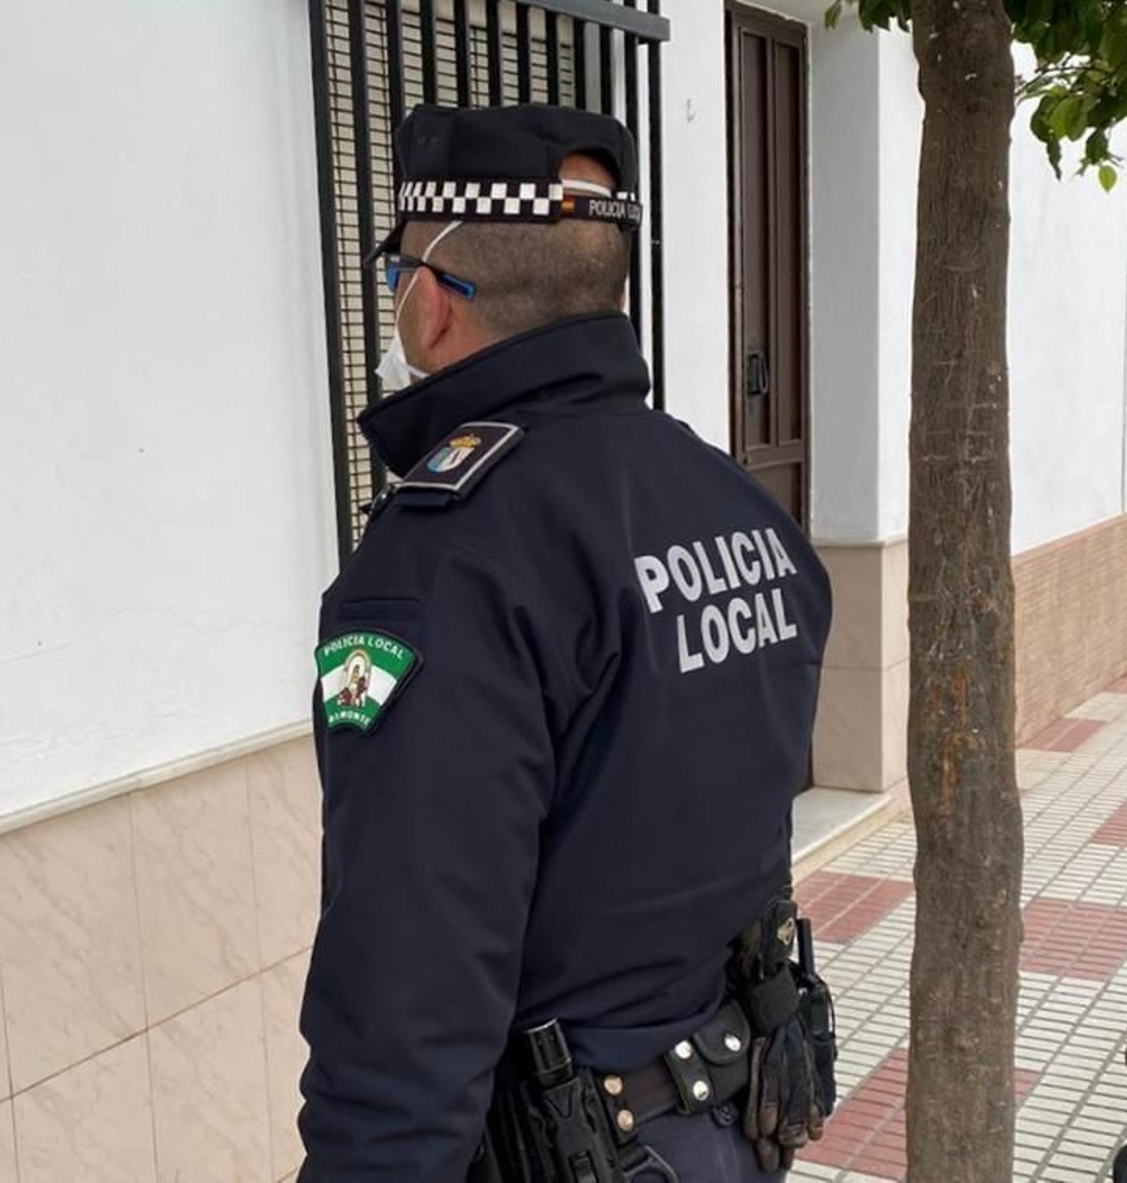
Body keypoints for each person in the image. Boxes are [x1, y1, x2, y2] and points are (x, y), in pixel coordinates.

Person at [298, 103, 835, 1183]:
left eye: (397, 269)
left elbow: (411, 982)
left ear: (434, 301)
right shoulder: (732, 503)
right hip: (728, 1121)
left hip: (584, 1151)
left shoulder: (450, 557)